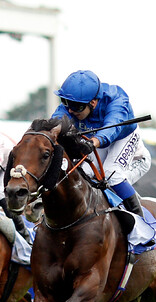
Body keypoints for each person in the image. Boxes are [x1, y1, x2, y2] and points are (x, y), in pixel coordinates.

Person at [52, 69, 147, 218]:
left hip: (123, 138)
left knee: (111, 173)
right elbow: (56, 121)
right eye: (66, 103)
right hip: (97, 140)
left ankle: (141, 222)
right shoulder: (75, 101)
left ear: (93, 102)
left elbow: (113, 126)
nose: (70, 109)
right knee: (84, 174)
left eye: (76, 106)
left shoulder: (117, 100)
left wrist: (93, 142)